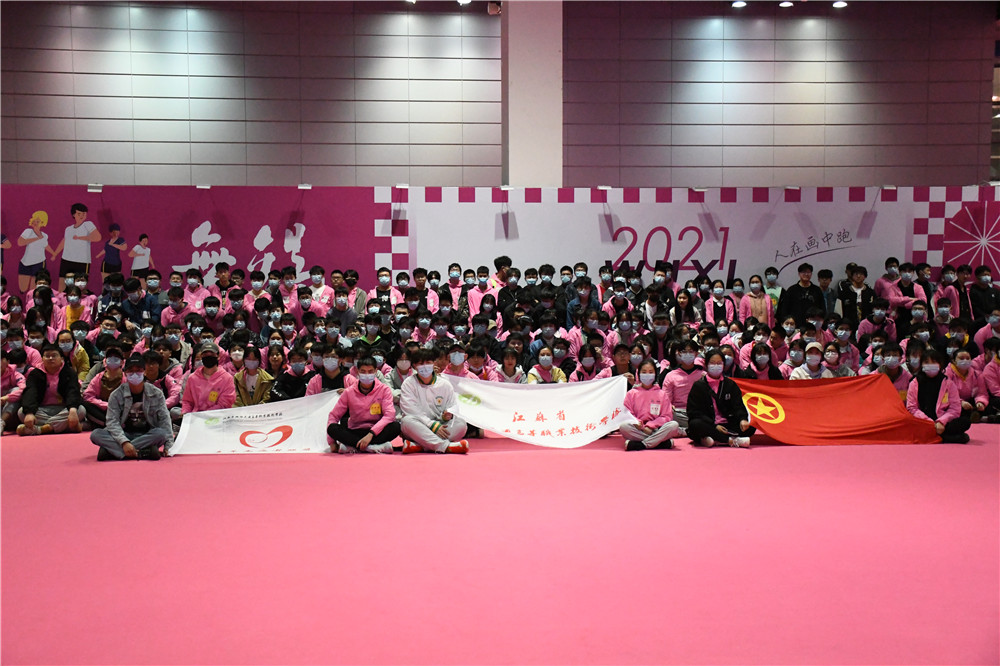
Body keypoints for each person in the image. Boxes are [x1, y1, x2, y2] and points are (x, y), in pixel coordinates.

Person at [90, 354, 172, 461]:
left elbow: (164, 419)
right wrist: (124, 442)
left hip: (147, 434)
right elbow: (112, 422)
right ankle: (142, 453)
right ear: (125, 373)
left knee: (161, 434)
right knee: (96, 434)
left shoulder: (156, 393)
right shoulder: (116, 395)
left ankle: (113, 452)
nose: (134, 374)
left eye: (138, 370)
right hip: (123, 434)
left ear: (144, 372)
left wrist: (168, 446)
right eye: (131, 371)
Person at [399, 347, 469, 454]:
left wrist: (447, 415)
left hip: (440, 424)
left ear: (434, 363)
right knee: (406, 422)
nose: (425, 366)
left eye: (428, 362)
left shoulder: (445, 384)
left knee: (461, 424)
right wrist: (431, 425)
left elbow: (452, 406)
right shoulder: (408, 383)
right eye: (421, 363)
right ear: (414, 366)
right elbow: (411, 411)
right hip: (420, 425)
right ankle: (446, 447)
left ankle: (421, 446)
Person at [326, 356, 400, 454]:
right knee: (332, 428)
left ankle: (353, 446)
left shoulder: (384, 390)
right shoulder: (348, 392)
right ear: (357, 372)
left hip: (376, 431)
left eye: (370, 371)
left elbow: (389, 415)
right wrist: (331, 442)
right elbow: (334, 416)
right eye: (363, 371)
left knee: (396, 427)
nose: (367, 374)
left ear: (376, 371)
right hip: (355, 430)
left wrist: (371, 434)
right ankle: (373, 447)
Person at [686, 349, 754, 448]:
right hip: (709, 424)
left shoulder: (730, 384)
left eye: (719, 363)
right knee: (695, 424)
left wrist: (743, 419)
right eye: (712, 363)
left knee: (751, 427)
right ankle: (731, 440)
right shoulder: (699, 385)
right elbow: (694, 412)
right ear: (706, 364)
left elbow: (738, 405)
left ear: (723, 365)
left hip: (727, 423)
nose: (716, 366)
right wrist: (714, 425)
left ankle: (711, 439)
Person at [17, 342, 86, 435]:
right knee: (21, 412)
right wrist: (29, 413)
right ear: (42, 359)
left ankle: (41, 429)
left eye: (54, 355)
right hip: (41, 409)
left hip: (63, 408)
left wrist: (72, 410)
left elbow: (73, 392)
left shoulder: (69, 372)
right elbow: (30, 392)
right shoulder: (34, 374)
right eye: (47, 356)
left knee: (80, 410)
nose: (50, 358)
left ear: (62, 359)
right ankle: (63, 427)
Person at [906, 350, 971, 444]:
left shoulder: (948, 383)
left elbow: (955, 407)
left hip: (942, 421)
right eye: (927, 362)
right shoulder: (914, 383)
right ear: (921, 365)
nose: (930, 365)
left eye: (934, 362)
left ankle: (936, 435)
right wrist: (929, 422)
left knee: (965, 421)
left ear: (940, 364)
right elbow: (912, 408)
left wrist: (941, 422)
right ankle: (944, 437)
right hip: (922, 421)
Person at [619, 359, 680, 451]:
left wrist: (650, 425)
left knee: (674, 425)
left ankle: (642, 445)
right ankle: (659, 443)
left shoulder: (662, 394)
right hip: (638, 429)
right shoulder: (631, 393)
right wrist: (640, 424)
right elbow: (627, 414)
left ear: (655, 374)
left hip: (657, 429)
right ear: (639, 374)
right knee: (624, 426)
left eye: (650, 372)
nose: (647, 375)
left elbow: (666, 416)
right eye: (644, 372)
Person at [52, 203, 101, 291]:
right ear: (74, 215)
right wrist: (55, 254)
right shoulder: (68, 229)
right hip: (66, 260)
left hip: (82, 261)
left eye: (84, 213)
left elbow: (97, 237)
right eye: (79, 214)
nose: (82, 216)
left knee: (80, 288)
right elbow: (64, 241)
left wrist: (80, 238)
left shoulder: (88, 224)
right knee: (62, 287)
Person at [180, 341, 235, 414]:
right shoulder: (192, 378)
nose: (208, 356)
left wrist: (203, 415)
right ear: (201, 356)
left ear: (218, 356)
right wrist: (185, 413)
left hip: (217, 416)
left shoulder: (227, 378)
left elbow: (224, 404)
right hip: (195, 416)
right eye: (205, 354)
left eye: (212, 354)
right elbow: (187, 401)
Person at [17, 210, 54, 295]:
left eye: (38, 221)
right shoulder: (28, 231)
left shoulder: (45, 235)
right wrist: (37, 238)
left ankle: (32, 301)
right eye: (34, 220)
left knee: (34, 290)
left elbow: (46, 246)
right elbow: (20, 242)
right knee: (22, 289)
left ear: (43, 223)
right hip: (25, 262)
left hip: (39, 263)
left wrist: (54, 253)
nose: (35, 222)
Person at [1, 348, 27, 431]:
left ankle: (1, 422)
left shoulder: (16, 375)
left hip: (10, 412)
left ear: (8, 362)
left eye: (1, 359)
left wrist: (7, 398)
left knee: (16, 390)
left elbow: (23, 389)